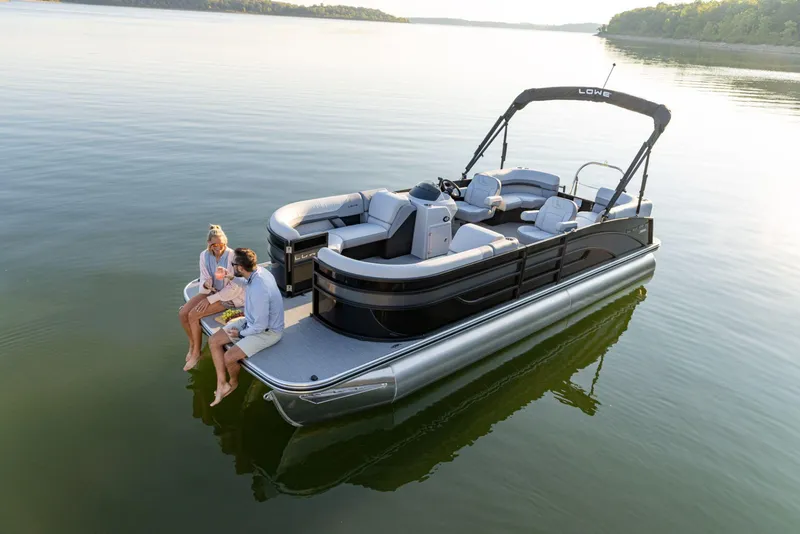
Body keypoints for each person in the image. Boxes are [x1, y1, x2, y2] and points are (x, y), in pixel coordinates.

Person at [208, 247, 284, 407]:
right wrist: (230, 277)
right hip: (251, 321)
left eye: (232, 264)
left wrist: (240, 334)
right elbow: (246, 283)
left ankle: (233, 383)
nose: (231, 266)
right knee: (214, 341)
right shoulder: (258, 272)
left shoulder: (259, 289)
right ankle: (222, 384)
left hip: (268, 332)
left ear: (241, 268)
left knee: (229, 357)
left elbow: (260, 327)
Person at [178, 225, 244, 371]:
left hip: (230, 296)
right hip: (212, 291)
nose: (218, 248)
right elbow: (204, 276)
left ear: (225, 242)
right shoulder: (204, 255)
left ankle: (196, 354)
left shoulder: (233, 256)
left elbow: (235, 287)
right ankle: (192, 344)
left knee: (193, 315)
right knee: (183, 314)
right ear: (209, 243)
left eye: (222, 244)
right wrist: (206, 284)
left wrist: (210, 299)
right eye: (214, 245)